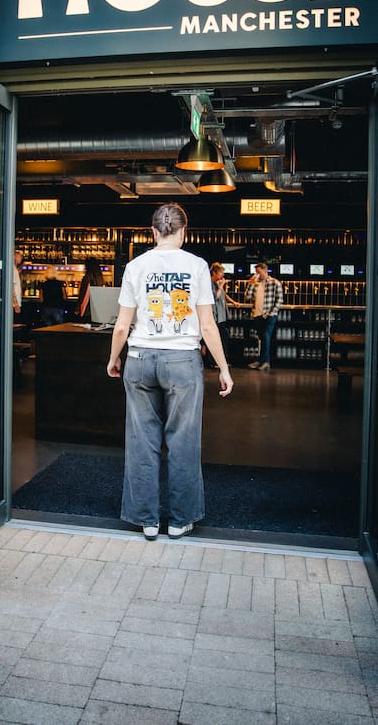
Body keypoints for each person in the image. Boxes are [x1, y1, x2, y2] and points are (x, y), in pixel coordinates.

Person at [107, 203, 234, 541]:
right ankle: (179, 521)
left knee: (141, 441)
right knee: (183, 442)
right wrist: (223, 368)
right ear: (183, 232)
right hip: (182, 362)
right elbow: (207, 325)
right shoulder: (197, 266)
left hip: (139, 357)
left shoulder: (135, 266)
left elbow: (122, 325)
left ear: (153, 232)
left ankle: (146, 520)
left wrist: (113, 358)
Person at [245, 261, 283, 371]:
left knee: (266, 337)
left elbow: (279, 299)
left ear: (265, 271)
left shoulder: (274, 282)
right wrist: (251, 283)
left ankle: (265, 362)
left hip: (269, 315)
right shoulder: (255, 283)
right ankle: (262, 361)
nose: (257, 274)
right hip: (257, 314)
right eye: (256, 272)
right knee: (262, 338)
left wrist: (272, 312)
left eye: (259, 272)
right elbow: (247, 297)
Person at [205, 262, 240, 367]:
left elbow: (223, 295)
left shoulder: (217, 283)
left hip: (221, 316)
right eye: (221, 273)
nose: (222, 275)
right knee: (216, 339)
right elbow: (214, 298)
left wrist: (233, 302)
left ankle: (220, 362)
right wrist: (220, 287)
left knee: (223, 338)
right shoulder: (208, 283)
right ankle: (213, 362)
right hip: (214, 316)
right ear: (214, 272)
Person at [13, 250, 23, 315]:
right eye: (19, 256)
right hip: (13, 304)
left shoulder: (15, 269)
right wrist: (16, 303)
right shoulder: (13, 269)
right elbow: (11, 287)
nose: (21, 257)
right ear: (14, 256)